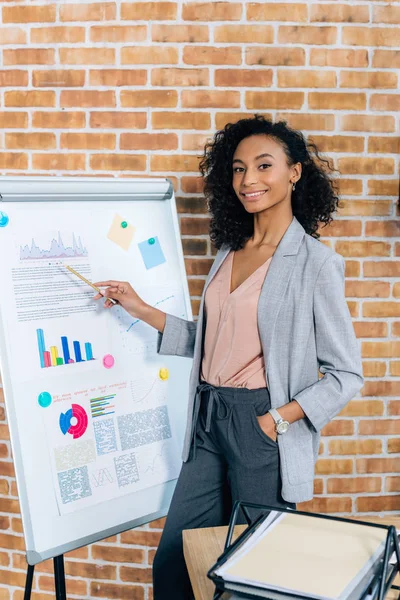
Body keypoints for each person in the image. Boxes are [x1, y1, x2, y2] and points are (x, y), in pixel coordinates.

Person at [94, 116, 364, 600]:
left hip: (260, 425)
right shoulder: (229, 250)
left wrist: (276, 420)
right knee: (174, 563)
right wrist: (140, 309)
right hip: (208, 417)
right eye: (238, 169)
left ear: (295, 173)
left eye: (264, 166)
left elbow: (345, 374)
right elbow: (215, 340)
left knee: (258, 572)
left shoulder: (317, 264)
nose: (249, 180)